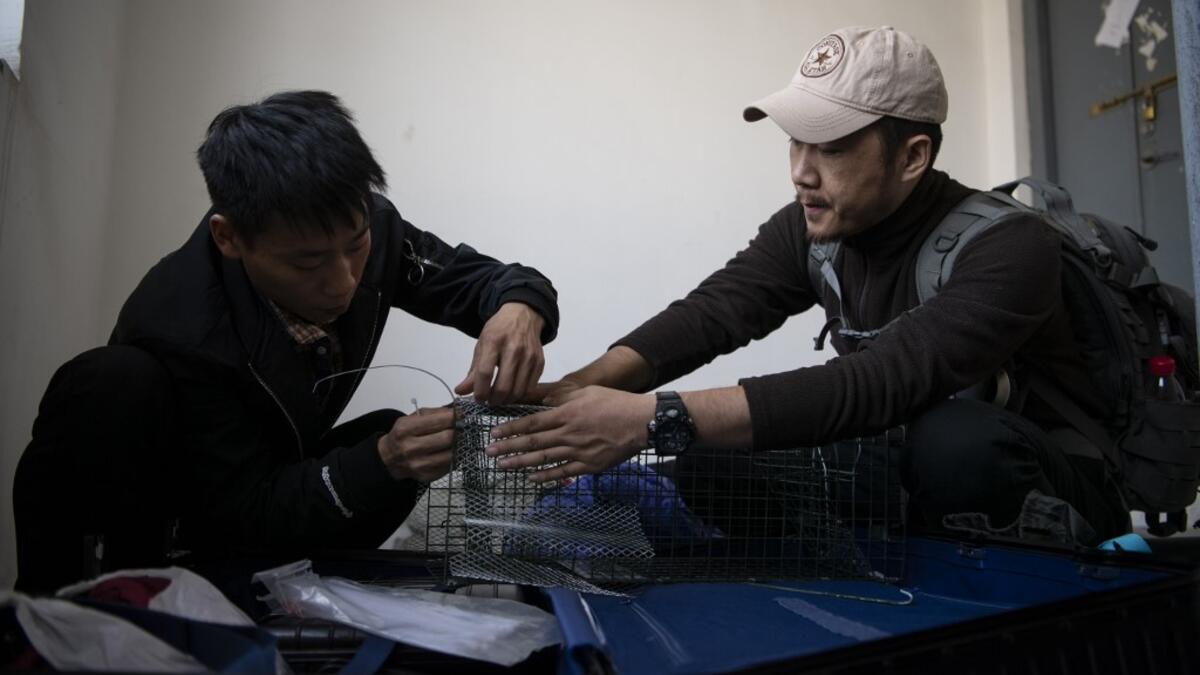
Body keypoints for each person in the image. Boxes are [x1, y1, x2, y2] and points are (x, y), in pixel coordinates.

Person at [486, 26, 1129, 543]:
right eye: (795, 143)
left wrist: (654, 419)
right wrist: (581, 387)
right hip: (905, 459)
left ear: (911, 156)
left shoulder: (1011, 247)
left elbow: (881, 381)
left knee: (954, 443)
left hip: (1045, 475)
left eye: (831, 148)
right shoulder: (813, 225)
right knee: (713, 464)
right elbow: (714, 312)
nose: (801, 172)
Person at [14, 90, 559, 591]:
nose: (344, 281)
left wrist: (519, 308)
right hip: (197, 526)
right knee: (384, 452)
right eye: (308, 263)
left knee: (385, 434)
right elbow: (245, 512)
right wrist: (385, 460)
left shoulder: (370, 228)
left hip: (270, 482)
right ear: (229, 237)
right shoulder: (181, 331)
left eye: (356, 246)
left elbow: (483, 280)